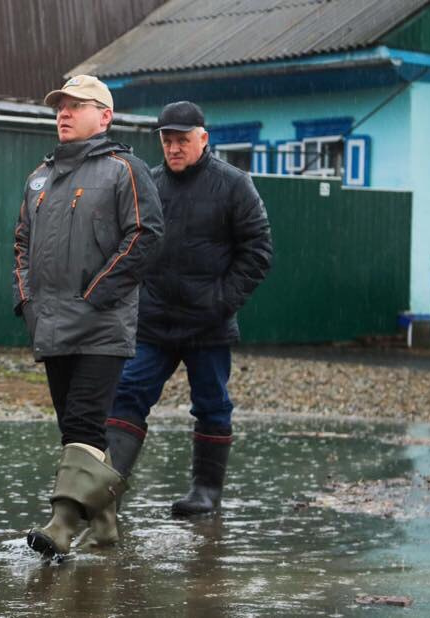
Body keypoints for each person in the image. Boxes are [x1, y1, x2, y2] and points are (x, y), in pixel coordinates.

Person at [12, 75, 164, 557]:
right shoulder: (39, 176)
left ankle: (61, 525)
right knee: (79, 430)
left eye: (78, 105)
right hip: (51, 323)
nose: (64, 112)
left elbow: (145, 235)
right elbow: (21, 243)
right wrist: (27, 302)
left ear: (104, 116)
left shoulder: (125, 169)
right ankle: (104, 525)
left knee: (81, 421)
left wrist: (98, 295)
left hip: (102, 324)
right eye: (61, 105)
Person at [106, 100, 273, 517]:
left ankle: (206, 493)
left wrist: (222, 300)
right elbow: (128, 244)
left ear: (204, 138)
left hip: (208, 325)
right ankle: (105, 490)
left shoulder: (234, 185)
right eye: (167, 140)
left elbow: (258, 251)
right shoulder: (149, 184)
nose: (174, 147)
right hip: (154, 321)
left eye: (183, 139)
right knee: (126, 393)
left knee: (212, 403)